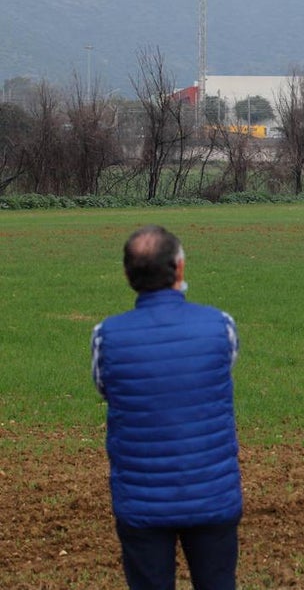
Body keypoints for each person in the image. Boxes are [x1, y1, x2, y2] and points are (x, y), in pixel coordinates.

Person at [91, 225, 242, 590]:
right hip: (212, 495)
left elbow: (105, 387)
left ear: (128, 275)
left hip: (141, 502)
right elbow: (222, 368)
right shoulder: (221, 326)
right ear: (180, 269)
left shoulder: (106, 336)